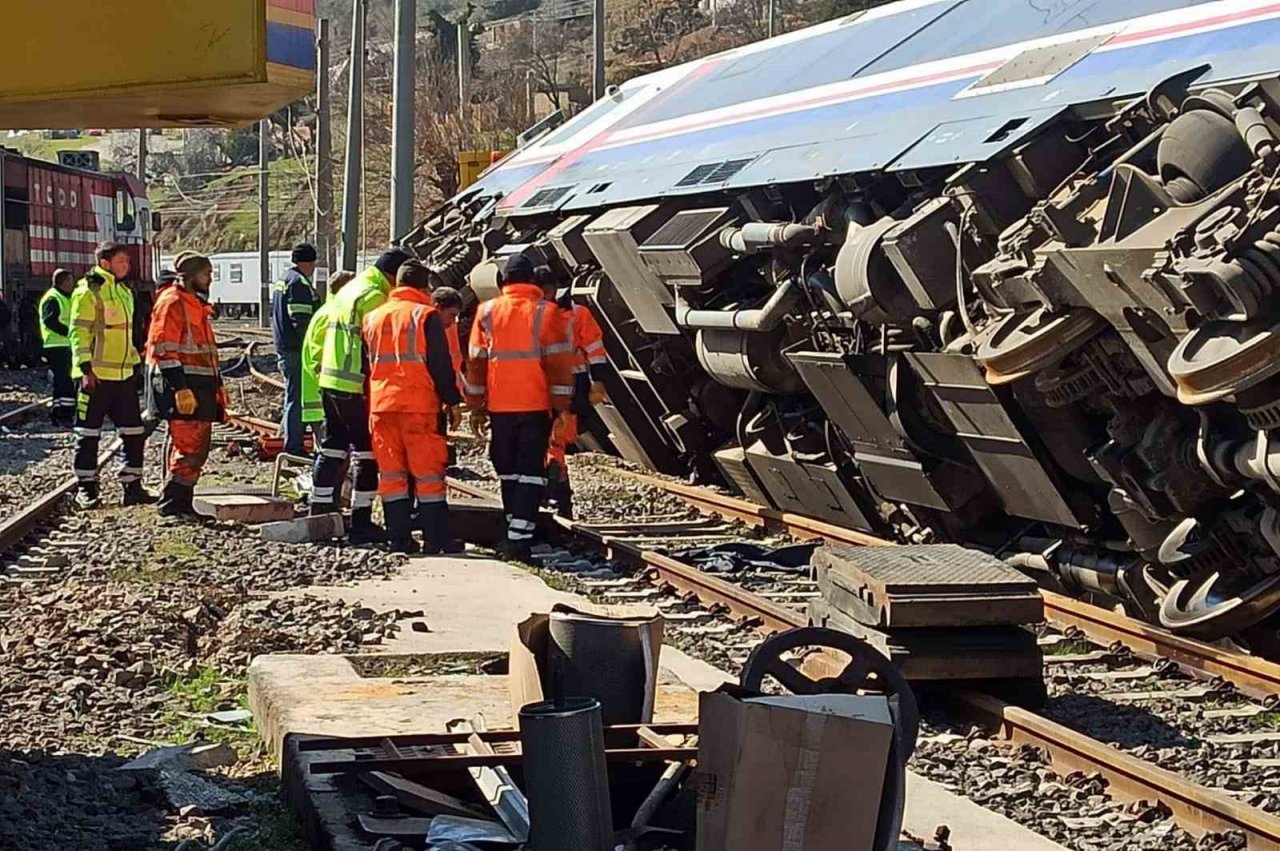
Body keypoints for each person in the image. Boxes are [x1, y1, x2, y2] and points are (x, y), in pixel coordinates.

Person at [465, 254, 575, 559]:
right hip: (535, 406)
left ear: (503, 282)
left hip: (499, 407)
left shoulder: (486, 312)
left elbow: (475, 362)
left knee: (508, 471)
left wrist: (475, 405)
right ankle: (518, 537)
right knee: (530, 472)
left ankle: (516, 529)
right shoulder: (547, 313)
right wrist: (561, 409)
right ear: (532, 282)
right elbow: (559, 366)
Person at [313, 248, 412, 543]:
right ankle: (361, 520)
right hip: (355, 385)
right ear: (394, 275)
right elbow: (375, 346)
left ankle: (318, 511)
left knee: (332, 447)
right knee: (367, 453)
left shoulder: (351, 289)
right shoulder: (374, 297)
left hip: (331, 380)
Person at [365, 261, 464, 554]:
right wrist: (452, 401)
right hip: (418, 407)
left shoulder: (372, 318)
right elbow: (439, 363)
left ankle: (399, 539)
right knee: (428, 475)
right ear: (424, 288)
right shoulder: (425, 315)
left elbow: (366, 365)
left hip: (382, 407)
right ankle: (436, 539)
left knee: (392, 476)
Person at [70, 242, 155, 509]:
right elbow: (78, 333)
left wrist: (134, 364)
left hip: (122, 376)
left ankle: (132, 487)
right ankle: (86, 490)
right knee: (88, 435)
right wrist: (85, 369)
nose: (127, 266)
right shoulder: (88, 292)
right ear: (105, 262)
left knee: (133, 432)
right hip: (95, 377)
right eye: (122, 261)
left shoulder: (123, 292)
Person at [146, 253, 225, 518]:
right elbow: (163, 348)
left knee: (197, 448)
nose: (210, 279)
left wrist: (218, 385)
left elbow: (207, 352)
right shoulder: (174, 303)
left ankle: (181, 505)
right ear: (192, 276)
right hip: (184, 386)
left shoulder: (194, 304)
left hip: (198, 386)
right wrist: (179, 387)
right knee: (188, 447)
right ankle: (172, 505)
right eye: (207, 274)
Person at [538, 270, 610, 521]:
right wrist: (598, 381)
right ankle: (562, 495)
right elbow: (595, 347)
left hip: (544, 385)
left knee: (547, 439)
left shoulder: (533, 315)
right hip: (574, 386)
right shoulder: (578, 313)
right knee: (558, 439)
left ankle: (553, 487)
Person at [271, 243, 320, 456]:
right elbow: (301, 320)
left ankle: (291, 440)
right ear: (308, 262)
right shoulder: (299, 283)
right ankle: (293, 447)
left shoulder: (284, 280)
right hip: (296, 349)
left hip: (285, 346)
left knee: (293, 396)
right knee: (297, 398)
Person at [301, 270, 356, 443]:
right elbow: (318, 356)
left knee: (332, 451)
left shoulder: (329, 311)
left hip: (323, 398)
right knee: (332, 452)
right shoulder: (332, 314)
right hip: (324, 398)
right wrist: (329, 388)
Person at [38, 269, 77, 427]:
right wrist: (70, 333)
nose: (72, 284)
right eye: (70, 280)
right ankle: (62, 415)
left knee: (66, 380)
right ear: (64, 282)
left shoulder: (65, 297)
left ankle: (62, 413)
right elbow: (50, 321)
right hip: (56, 345)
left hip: (65, 344)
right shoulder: (53, 298)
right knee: (64, 381)